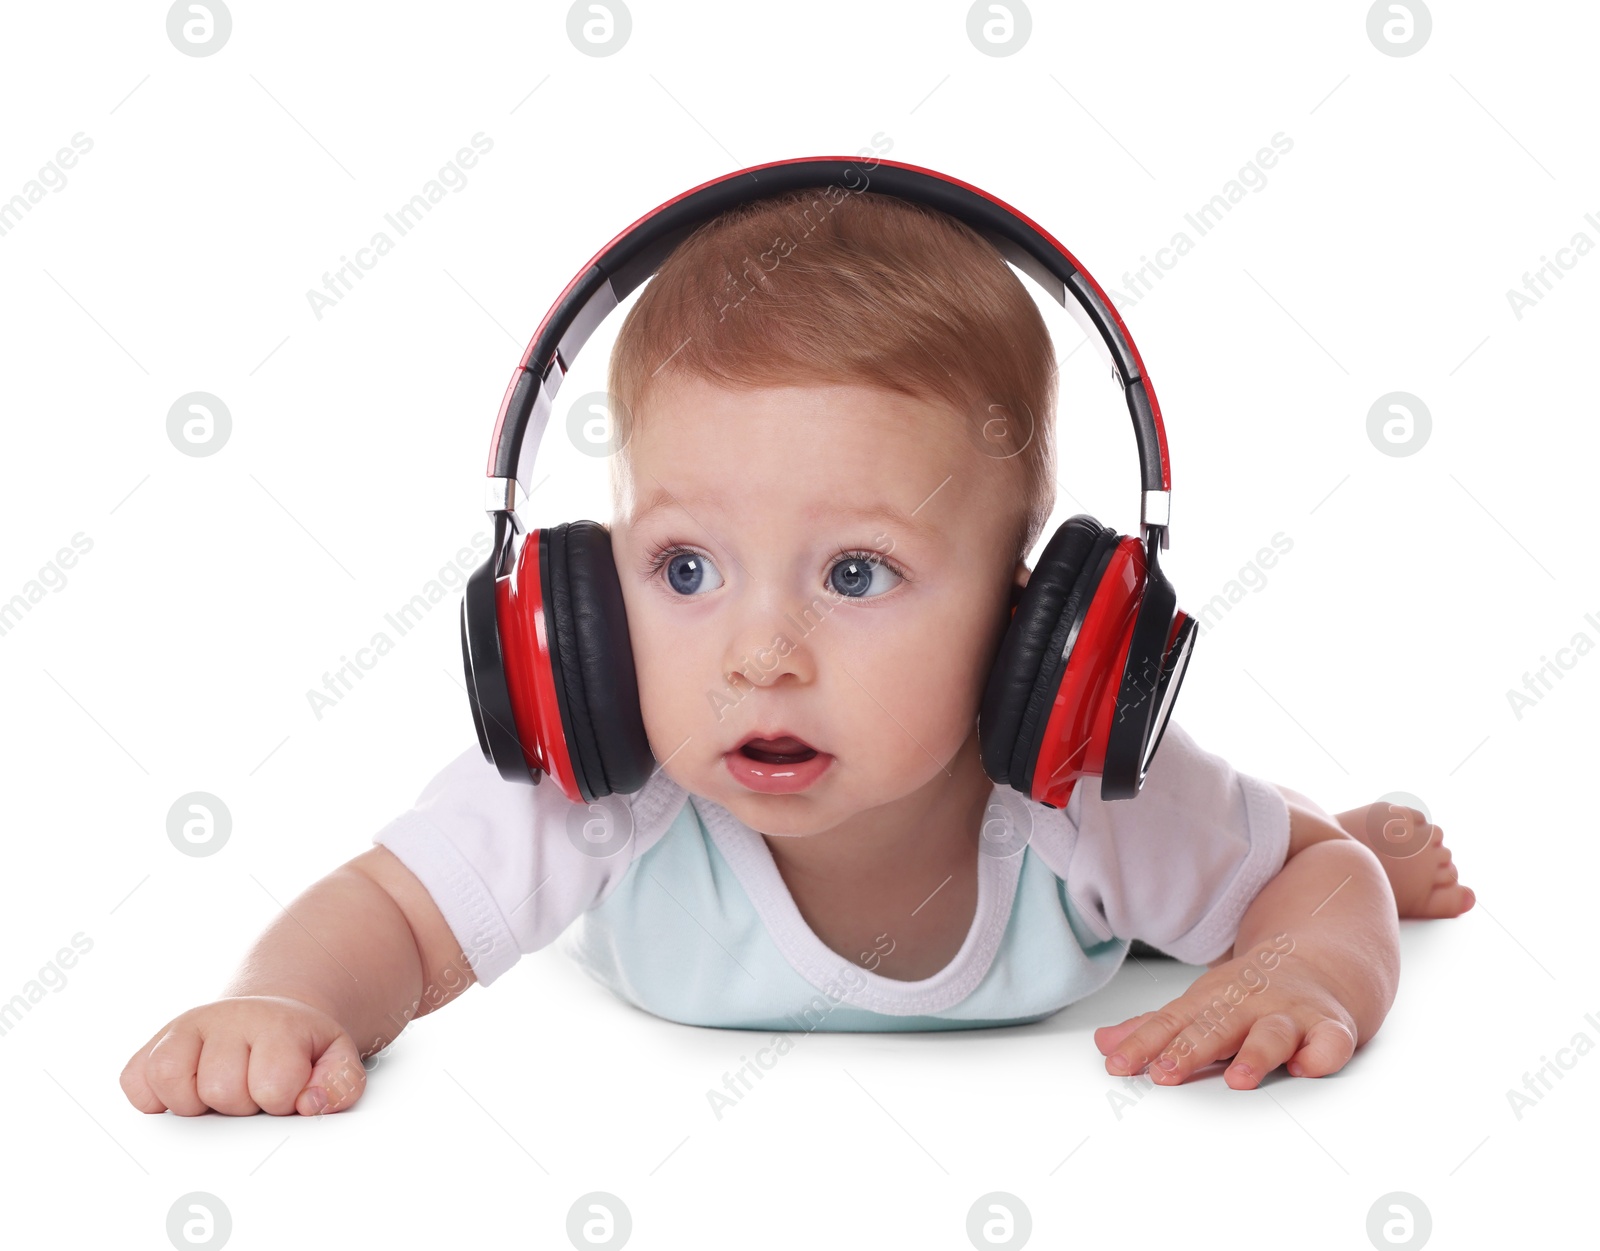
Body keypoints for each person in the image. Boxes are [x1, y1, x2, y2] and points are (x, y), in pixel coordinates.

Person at [119, 186, 1473, 1119]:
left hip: (1128, 872)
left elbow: (1322, 886)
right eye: (687, 570)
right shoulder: (607, 790)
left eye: (857, 572)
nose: (760, 653)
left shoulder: (1086, 803)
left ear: (1035, 634)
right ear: (586, 591)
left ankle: (1286, 807)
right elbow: (391, 917)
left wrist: (1300, 963)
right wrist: (288, 1000)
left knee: (1247, 866)